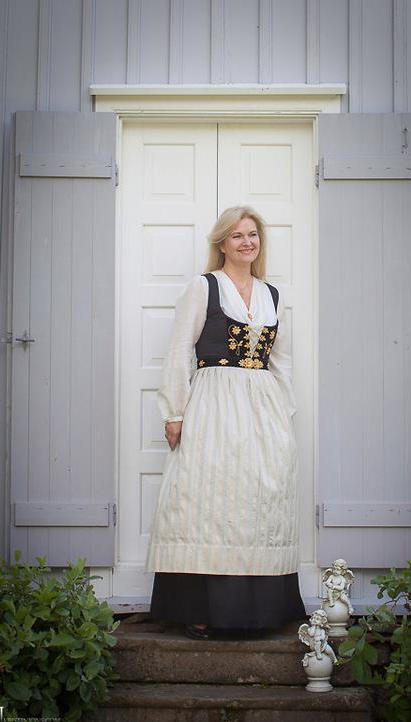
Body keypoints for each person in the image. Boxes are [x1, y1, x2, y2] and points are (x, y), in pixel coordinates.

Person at [144, 205, 306, 639]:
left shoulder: (273, 295)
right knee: (207, 501)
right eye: (237, 236)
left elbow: (282, 362)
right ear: (222, 243)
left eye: (253, 234)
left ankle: (260, 612)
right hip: (214, 402)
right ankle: (200, 609)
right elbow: (180, 349)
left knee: (257, 503)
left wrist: (282, 417)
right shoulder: (204, 288)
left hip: (262, 408)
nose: (247, 242)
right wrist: (174, 411)